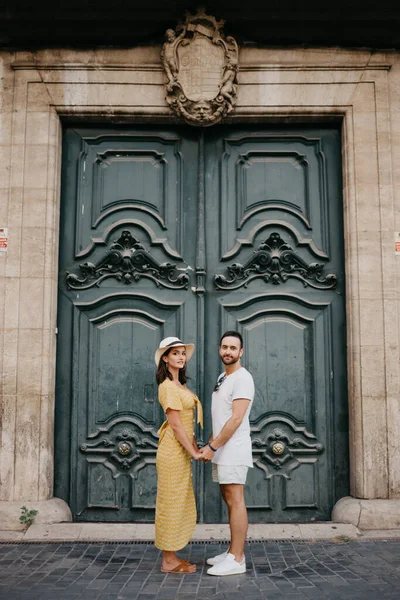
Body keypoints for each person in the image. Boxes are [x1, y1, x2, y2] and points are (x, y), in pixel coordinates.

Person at [199, 331, 254, 576]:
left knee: (236, 500)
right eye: (224, 347)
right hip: (222, 449)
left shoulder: (243, 378)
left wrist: (212, 447)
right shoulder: (223, 377)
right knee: (228, 500)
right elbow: (220, 417)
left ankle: (237, 558)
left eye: (233, 348)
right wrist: (210, 444)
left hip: (233, 450)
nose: (228, 351)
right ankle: (233, 549)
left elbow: (235, 419)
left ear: (241, 352)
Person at [154, 336, 203, 574]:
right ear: (165, 357)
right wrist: (193, 452)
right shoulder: (166, 386)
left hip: (180, 451)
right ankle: (168, 560)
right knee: (170, 502)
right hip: (173, 451)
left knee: (177, 501)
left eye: (183, 353)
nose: (181, 357)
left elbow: (187, 423)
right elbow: (175, 426)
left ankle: (172, 555)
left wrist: (194, 447)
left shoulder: (180, 385)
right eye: (175, 353)